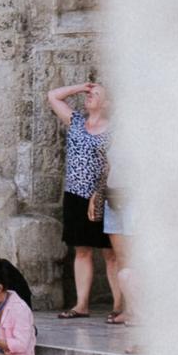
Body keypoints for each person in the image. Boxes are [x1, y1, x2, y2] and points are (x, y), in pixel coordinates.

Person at [48, 80, 128, 321]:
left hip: (102, 195)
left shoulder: (115, 129)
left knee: (110, 253)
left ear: (107, 103)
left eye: (96, 93)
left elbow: (114, 163)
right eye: (89, 93)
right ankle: (81, 304)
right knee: (81, 251)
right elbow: (53, 96)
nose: (90, 95)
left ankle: (118, 305)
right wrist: (80, 87)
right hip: (75, 194)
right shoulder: (76, 122)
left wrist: (99, 192)